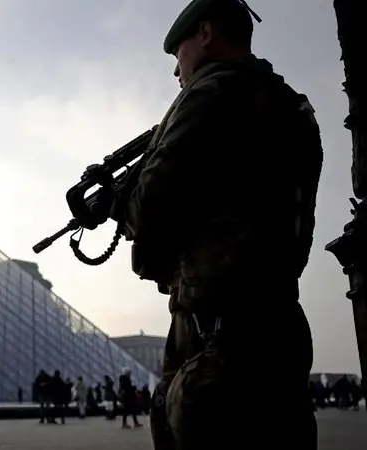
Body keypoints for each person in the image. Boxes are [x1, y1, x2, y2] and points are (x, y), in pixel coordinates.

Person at [111, 1, 323, 449]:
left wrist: (118, 205)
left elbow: (152, 205)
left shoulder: (212, 92)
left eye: (177, 54)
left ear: (206, 33)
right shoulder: (291, 107)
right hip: (278, 320)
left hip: (217, 331)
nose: (176, 72)